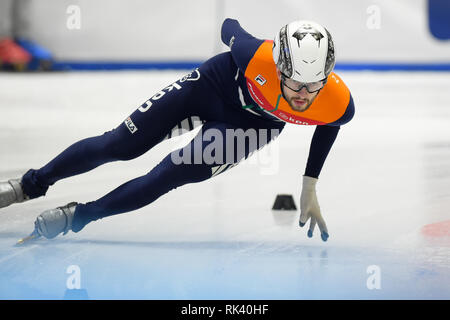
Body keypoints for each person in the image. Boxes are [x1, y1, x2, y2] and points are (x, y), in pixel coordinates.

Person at [0, 18, 354, 243]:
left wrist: (309, 186)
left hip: (251, 125)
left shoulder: (336, 101)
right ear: (278, 67)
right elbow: (230, 25)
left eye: (314, 85)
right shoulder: (255, 55)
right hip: (211, 86)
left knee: (168, 174)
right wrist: (241, 38)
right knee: (120, 144)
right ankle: (28, 185)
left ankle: (78, 216)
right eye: (294, 84)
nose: (303, 97)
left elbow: (329, 125)